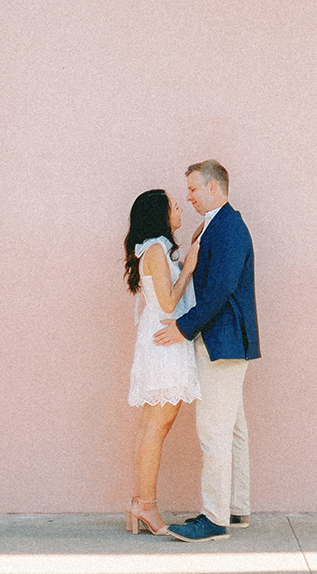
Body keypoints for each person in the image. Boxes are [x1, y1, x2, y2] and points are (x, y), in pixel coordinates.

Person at [153, 160, 259, 541]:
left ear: (214, 188)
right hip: (226, 341)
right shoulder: (216, 225)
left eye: (194, 189)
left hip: (223, 342)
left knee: (213, 432)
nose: (189, 196)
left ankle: (214, 520)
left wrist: (182, 328)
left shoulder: (229, 227)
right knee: (233, 430)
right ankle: (236, 508)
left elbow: (220, 290)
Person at [123, 188, 201, 536]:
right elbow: (169, 303)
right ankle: (145, 506)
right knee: (156, 428)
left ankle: (140, 503)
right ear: (159, 214)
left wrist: (185, 257)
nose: (179, 207)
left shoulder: (156, 248)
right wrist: (190, 268)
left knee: (152, 427)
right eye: (173, 204)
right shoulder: (155, 248)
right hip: (164, 342)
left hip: (161, 341)